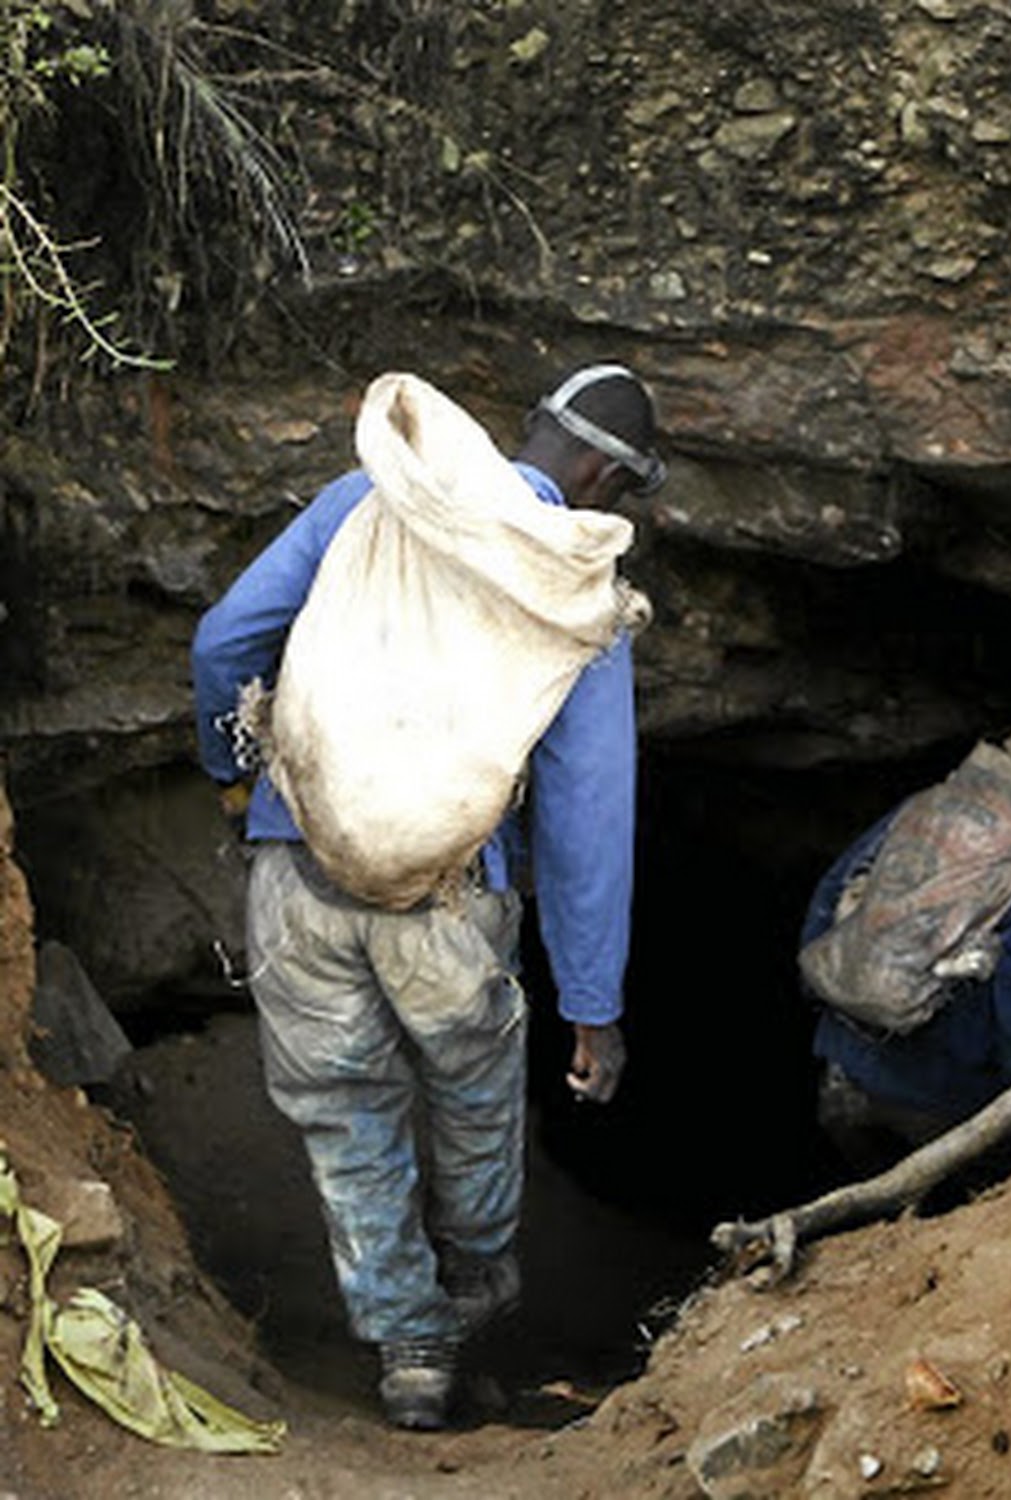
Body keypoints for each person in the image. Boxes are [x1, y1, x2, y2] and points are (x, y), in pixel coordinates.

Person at [190, 363, 664, 1430]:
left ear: (536, 426)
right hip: (448, 906)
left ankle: (410, 1359)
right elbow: (590, 809)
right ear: (600, 471)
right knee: (473, 1112)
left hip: (296, 877)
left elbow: (224, 640)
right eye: (623, 494)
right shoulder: (575, 585)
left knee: (346, 1118)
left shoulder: (373, 497)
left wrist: (235, 778)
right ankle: (478, 1324)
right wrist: (593, 1004)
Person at [800, 693, 1011, 1176]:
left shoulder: (929, 804)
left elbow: (835, 891)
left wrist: (823, 995)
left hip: (843, 1073)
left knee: (855, 1221)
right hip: (938, 1108)